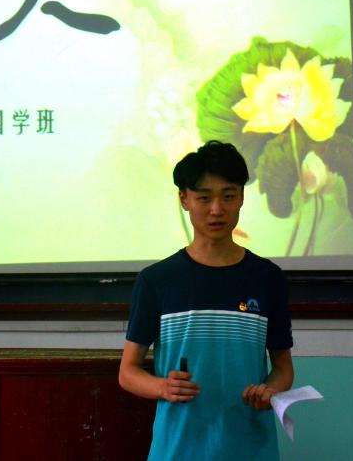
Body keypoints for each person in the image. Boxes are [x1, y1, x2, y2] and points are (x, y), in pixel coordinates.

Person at [119, 140, 294, 461]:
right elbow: (127, 372)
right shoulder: (157, 280)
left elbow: (283, 367)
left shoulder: (267, 278)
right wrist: (162, 387)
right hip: (178, 449)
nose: (217, 209)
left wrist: (269, 390)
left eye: (228, 196)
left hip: (249, 448)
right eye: (204, 198)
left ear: (241, 197)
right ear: (184, 199)